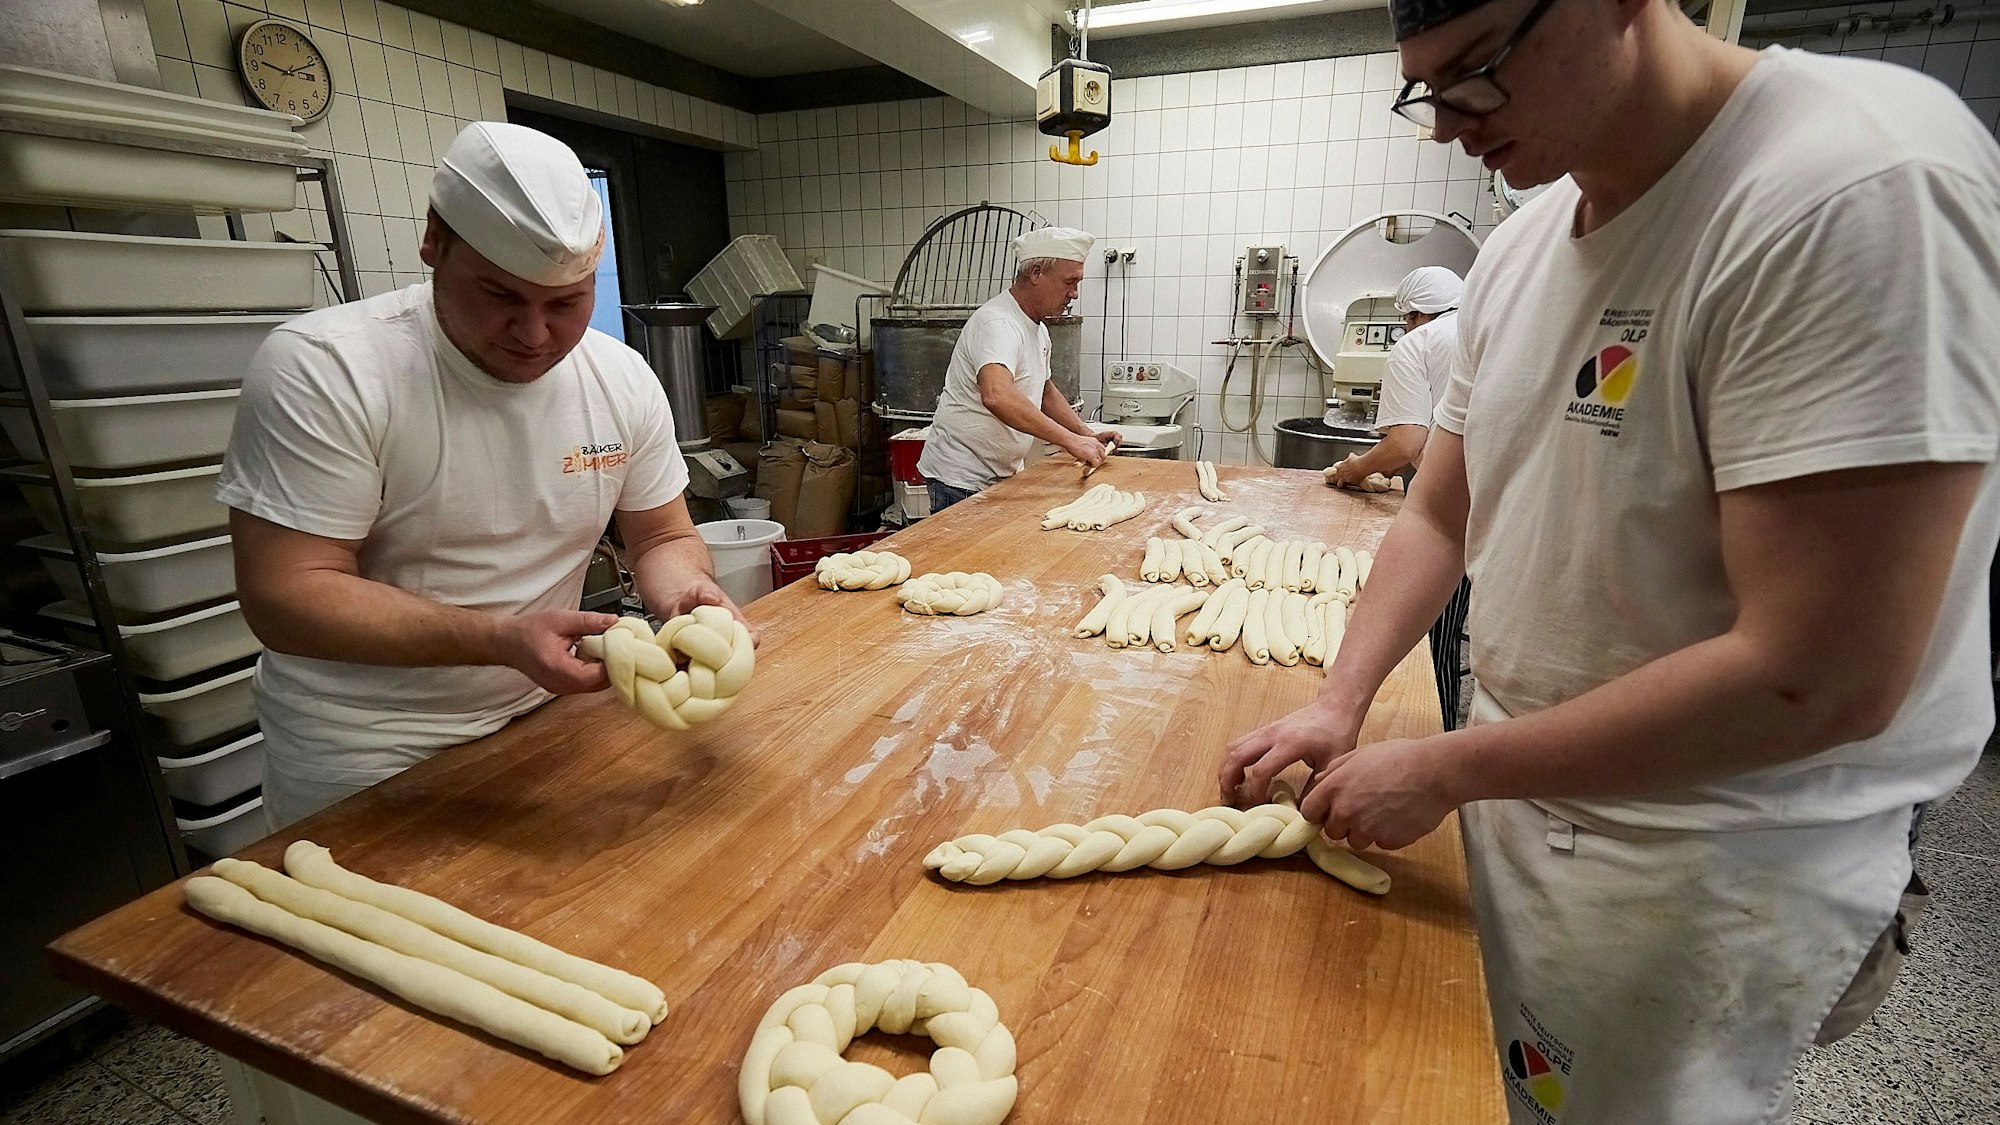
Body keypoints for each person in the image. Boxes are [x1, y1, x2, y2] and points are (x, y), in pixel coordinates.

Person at [1218, 0, 2000, 1120]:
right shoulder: (1522, 248)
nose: (1447, 124)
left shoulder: (1849, 189)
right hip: (1519, 798)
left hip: (1699, 854)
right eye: (1424, 88)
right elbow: (1439, 512)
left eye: (1476, 68)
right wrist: (1341, 702)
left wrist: (1446, 768)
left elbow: (1820, 673)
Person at [221, 122, 745, 831]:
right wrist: (500, 639)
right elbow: (285, 595)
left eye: (565, 303)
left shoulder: (619, 378)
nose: (534, 334)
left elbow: (660, 537)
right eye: (499, 296)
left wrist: (686, 595)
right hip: (365, 756)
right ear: (434, 241)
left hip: (547, 728)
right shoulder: (327, 369)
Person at [1330, 265, 1470, 729]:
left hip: (1457, 509)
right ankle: (1444, 729)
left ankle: (1433, 732)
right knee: (1456, 634)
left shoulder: (1419, 343)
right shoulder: (1486, 326)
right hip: (1512, 507)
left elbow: (1407, 442)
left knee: (1430, 641)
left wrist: (1354, 469)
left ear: (1414, 315)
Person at [917, 227, 1120, 512]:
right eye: (1069, 282)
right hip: (961, 481)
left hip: (998, 475)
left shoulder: (1037, 328)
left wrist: (1086, 434)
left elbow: (1044, 391)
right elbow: (997, 395)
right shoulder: (998, 323)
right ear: (1036, 273)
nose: (1074, 293)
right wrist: (1070, 441)